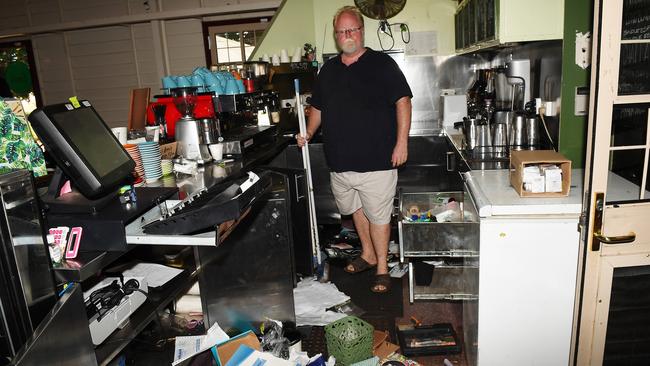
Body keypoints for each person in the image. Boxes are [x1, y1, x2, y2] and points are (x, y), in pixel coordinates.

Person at [297, 5, 412, 293]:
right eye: (341, 31)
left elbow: (403, 102)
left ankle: (383, 268)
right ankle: (368, 254)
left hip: (377, 161)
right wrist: (309, 132)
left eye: (352, 29)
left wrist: (402, 142)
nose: (347, 35)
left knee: (379, 216)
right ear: (336, 36)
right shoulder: (329, 70)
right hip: (340, 161)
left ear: (361, 31)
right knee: (355, 210)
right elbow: (318, 107)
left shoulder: (383, 65)